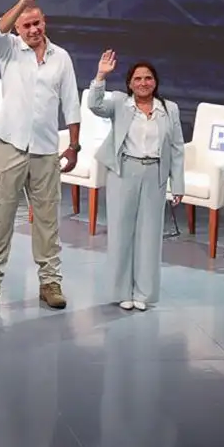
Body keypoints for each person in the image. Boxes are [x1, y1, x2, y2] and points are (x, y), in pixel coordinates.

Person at [0, 0, 81, 310]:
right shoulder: (8, 49)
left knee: (48, 222)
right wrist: (23, 0)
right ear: (19, 30)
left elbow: (71, 103)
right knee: (1, 218)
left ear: (44, 22)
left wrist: (74, 145)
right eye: (27, 25)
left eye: (37, 22)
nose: (33, 29)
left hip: (45, 152)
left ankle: (50, 283)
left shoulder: (61, 58)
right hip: (10, 146)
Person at [87, 51, 185, 310]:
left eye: (148, 78)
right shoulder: (120, 103)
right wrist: (101, 75)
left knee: (149, 236)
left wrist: (178, 184)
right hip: (124, 171)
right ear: (130, 83)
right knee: (120, 233)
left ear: (155, 82)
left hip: (154, 174)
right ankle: (122, 293)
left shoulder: (169, 109)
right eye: (138, 78)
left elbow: (177, 148)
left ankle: (144, 293)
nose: (143, 82)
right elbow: (94, 105)